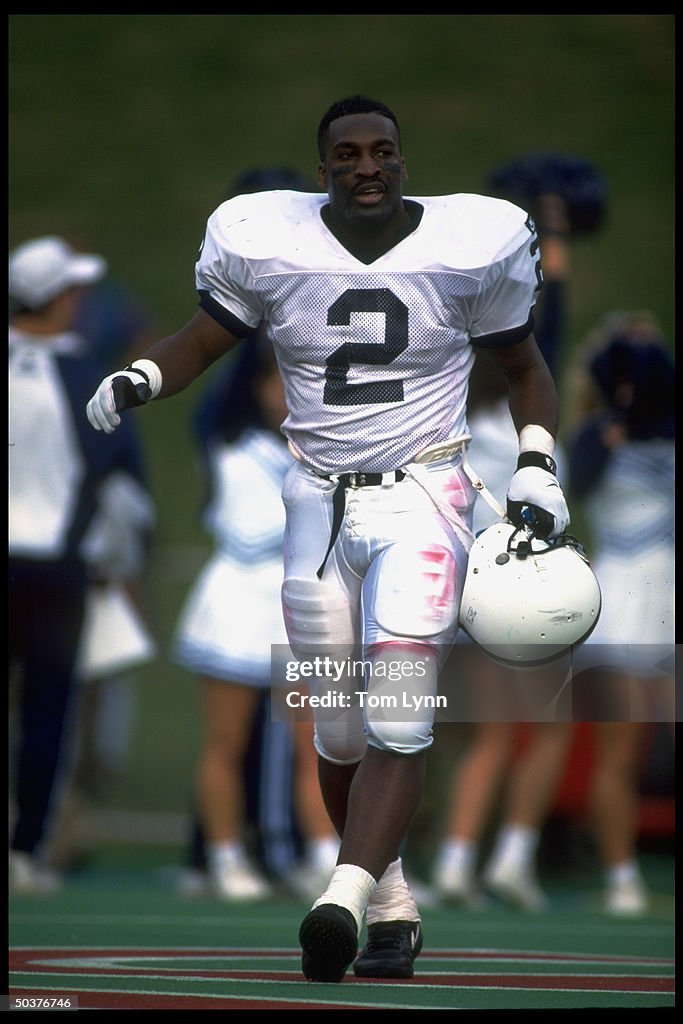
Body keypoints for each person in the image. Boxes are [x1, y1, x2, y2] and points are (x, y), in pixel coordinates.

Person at [86, 94, 570, 983]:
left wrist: (536, 464)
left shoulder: (472, 244)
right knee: (337, 730)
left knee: (396, 710)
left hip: (423, 496)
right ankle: (390, 905)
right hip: (310, 505)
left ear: (402, 159)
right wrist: (141, 375)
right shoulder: (268, 241)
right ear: (322, 173)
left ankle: (338, 898)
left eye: (380, 150)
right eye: (346, 154)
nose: (366, 166)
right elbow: (206, 337)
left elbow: (525, 368)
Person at [431, 180, 586, 912]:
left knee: (484, 738)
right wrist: (549, 247)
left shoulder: (451, 411)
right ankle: (510, 858)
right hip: (523, 589)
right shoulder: (531, 422)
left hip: (460, 584)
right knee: (545, 730)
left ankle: (458, 863)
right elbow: (544, 338)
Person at [172, 328, 339, 901]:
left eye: (300, 385)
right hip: (234, 604)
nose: (286, 396)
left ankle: (322, 858)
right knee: (227, 740)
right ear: (258, 385)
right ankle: (223, 858)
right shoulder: (225, 435)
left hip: (297, 607)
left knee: (313, 741)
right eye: (277, 382)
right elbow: (223, 376)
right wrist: (259, 304)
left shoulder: (326, 451)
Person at [9, 235, 151, 893]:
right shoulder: (86, 377)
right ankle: (25, 851)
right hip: (56, 573)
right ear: (58, 299)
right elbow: (124, 492)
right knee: (46, 718)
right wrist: (122, 562)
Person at [566, 310, 675, 915]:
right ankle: (621, 875)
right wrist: (615, 426)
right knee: (623, 754)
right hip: (623, 609)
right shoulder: (592, 435)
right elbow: (578, 482)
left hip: (669, 598)